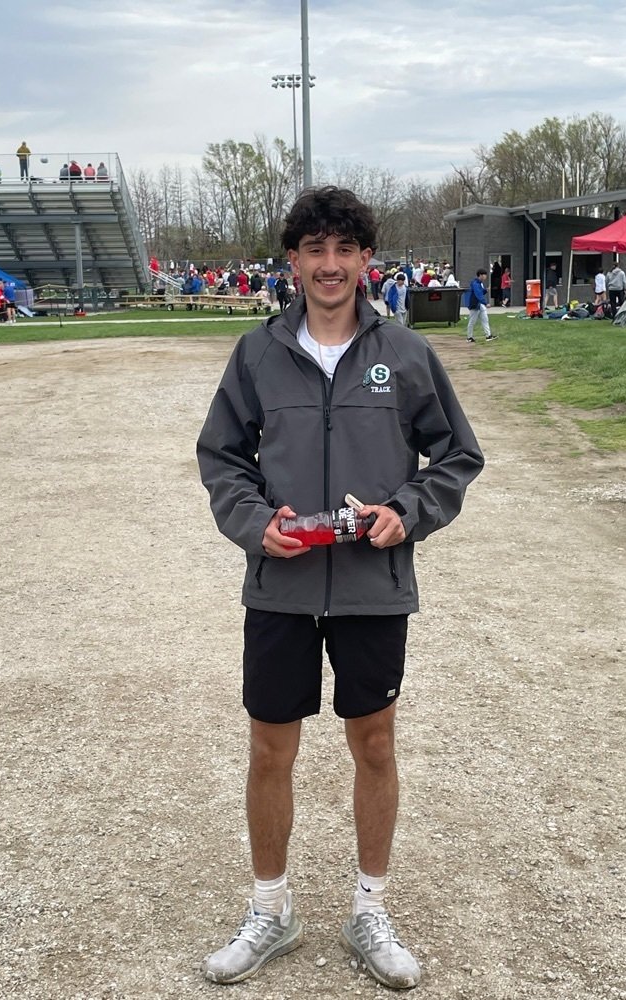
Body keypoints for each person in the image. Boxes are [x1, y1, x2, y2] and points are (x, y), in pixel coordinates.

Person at [196, 185, 484, 990]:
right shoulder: (255, 355)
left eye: (343, 249)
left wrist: (407, 513)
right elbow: (222, 458)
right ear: (292, 261)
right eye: (313, 249)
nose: (329, 265)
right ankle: (271, 908)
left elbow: (456, 457)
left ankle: (369, 907)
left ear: (365, 260)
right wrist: (257, 525)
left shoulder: (408, 355)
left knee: (376, 745)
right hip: (280, 590)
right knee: (269, 749)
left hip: (373, 588)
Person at [466, 268, 494, 342]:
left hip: (479, 304)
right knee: (472, 321)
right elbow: (478, 294)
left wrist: (485, 290)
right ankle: (469, 337)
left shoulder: (479, 283)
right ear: (480, 275)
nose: (486, 277)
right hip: (475, 304)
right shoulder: (475, 284)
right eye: (485, 275)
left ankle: (488, 335)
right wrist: (485, 303)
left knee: (485, 319)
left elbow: (480, 292)